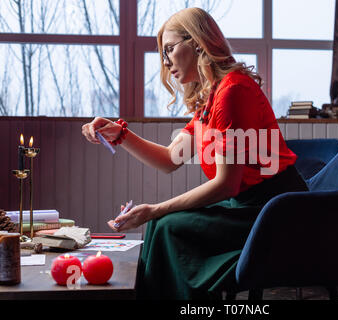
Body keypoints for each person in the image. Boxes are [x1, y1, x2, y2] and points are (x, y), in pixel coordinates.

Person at [81, 7, 308, 300]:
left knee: (167, 226)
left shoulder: (232, 92)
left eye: (170, 49)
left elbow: (226, 184)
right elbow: (169, 160)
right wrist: (120, 134)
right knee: (162, 225)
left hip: (274, 214)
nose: (165, 62)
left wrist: (156, 209)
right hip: (247, 207)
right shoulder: (211, 99)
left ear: (198, 42)